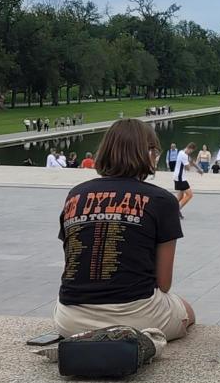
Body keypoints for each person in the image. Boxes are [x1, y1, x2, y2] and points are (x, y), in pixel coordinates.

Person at [53, 119, 195, 340]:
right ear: (147, 153)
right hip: (137, 316)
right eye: (155, 151)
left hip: (70, 319)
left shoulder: (75, 194)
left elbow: (74, 263)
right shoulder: (162, 200)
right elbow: (164, 283)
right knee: (187, 311)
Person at [173, 141, 196, 210]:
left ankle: (171, 209)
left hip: (177, 176)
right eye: (191, 151)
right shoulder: (184, 155)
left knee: (180, 196)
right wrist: (191, 163)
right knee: (190, 195)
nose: (191, 152)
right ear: (190, 149)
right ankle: (177, 210)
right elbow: (188, 168)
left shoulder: (181, 152)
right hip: (180, 177)